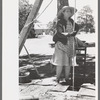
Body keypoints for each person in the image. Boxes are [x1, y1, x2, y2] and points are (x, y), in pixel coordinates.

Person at [51, 6, 83, 83]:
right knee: (60, 62)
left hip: (70, 43)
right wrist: (68, 34)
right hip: (61, 43)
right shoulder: (59, 22)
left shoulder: (72, 21)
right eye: (67, 11)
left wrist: (73, 33)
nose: (69, 12)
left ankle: (67, 78)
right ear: (63, 12)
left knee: (68, 62)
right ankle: (57, 79)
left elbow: (77, 28)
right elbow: (59, 33)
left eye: (70, 11)